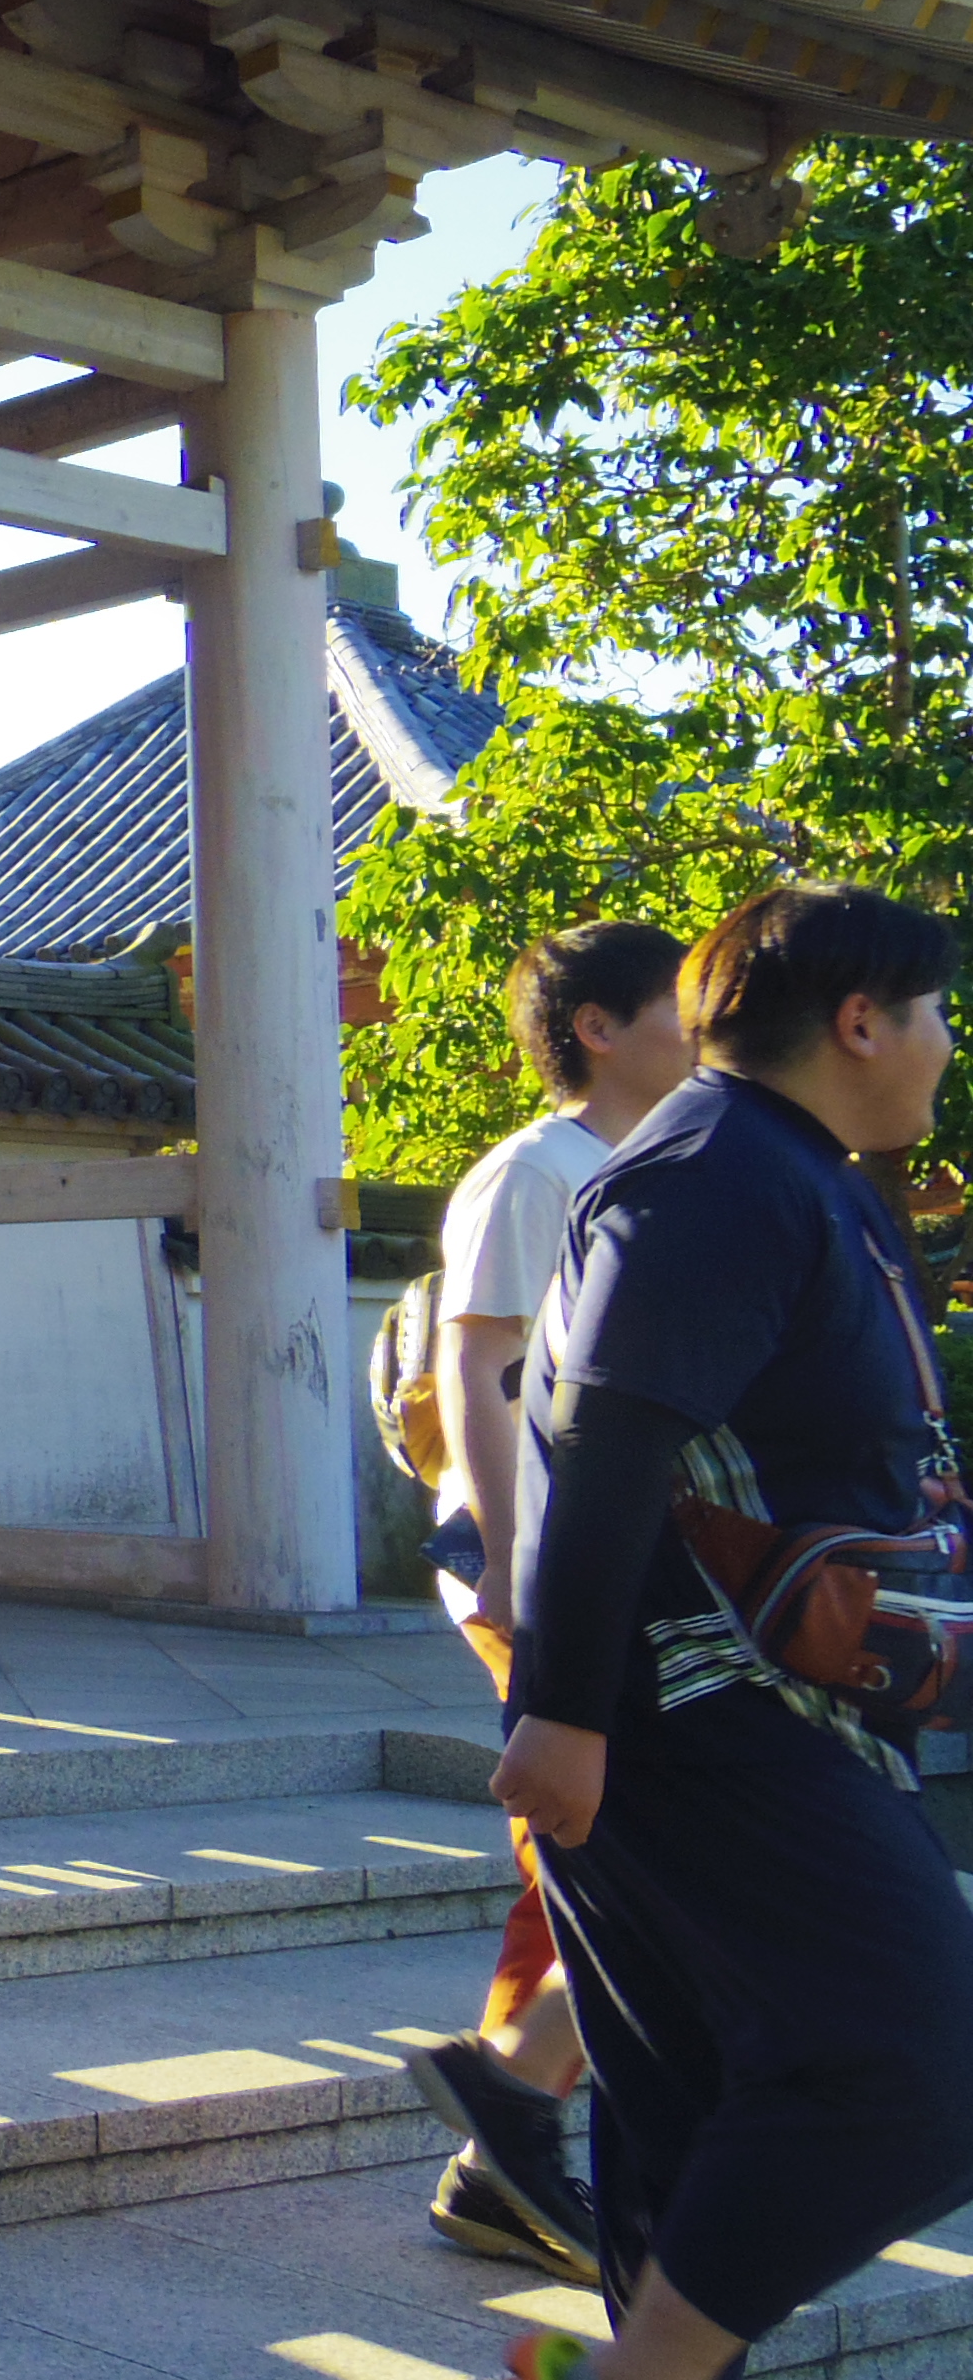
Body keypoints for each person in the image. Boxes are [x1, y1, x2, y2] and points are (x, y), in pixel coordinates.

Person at [487, 885, 973, 2380]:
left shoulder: (788, 1166)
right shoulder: (714, 1169)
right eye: (939, 1012)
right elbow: (612, 1436)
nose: (948, 1045)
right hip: (699, 1711)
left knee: (690, 2095)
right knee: (927, 2064)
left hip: (750, 1708)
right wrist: (560, 1709)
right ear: (859, 1020)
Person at [406, 921, 689, 2286]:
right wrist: (514, 1560)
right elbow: (477, 1360)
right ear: (598, 1027)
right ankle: (515, 2124)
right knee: (606, 1847)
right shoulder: (539, 1168)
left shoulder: (659, 1166)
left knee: (599, 1850)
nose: (699, 1024)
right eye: (677, 1005)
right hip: (537, 1559)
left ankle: (512, 2126)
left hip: (628, 1561)